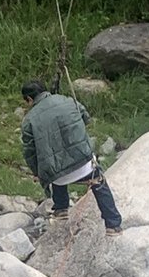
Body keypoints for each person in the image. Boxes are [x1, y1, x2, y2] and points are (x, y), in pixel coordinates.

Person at [20, 79, 123, 235]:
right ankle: (113, 225)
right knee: (99, 183)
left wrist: (37, 173)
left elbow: (30, 152)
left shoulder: (29, 120)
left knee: (55, 166)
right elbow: (86, 119)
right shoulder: (67, 100)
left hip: (57, 177)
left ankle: (61, 208)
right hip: (83, 166)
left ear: (29, 99)